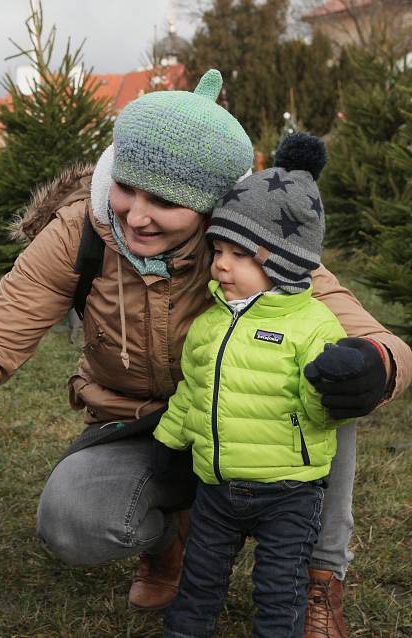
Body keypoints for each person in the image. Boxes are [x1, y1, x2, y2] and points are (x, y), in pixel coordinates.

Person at [0, 70, 411, 637]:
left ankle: (319, 580)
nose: (135, 215)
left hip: (255, 423)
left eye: (163, 200)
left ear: (212, 206)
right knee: (70, 521)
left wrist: (376, 367)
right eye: (126, 186)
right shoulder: (82, 232)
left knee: (332, 386)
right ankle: (171, 540)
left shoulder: (256, 245)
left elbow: (375, 337)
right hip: (137, 425)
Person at [153, 133, 352, 637]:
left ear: (282, 260)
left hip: (289, 492)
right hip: (217, 489)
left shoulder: (315, 326)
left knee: (277, 587)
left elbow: (323, 411)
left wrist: (329, 382)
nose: (219, 264)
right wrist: (170, 442)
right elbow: (192, 392)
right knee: (199, 580)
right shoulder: (211, 321)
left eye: (238, 254)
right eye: (217, 248)